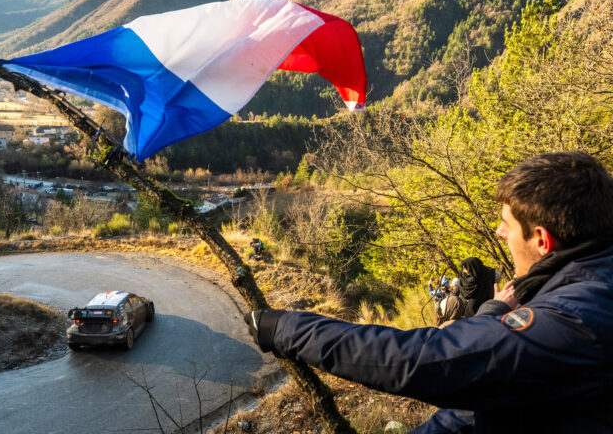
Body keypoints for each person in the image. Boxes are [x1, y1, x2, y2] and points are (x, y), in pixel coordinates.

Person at [244, 151, 613, 433]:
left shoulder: (573, 321)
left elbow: (423, 360)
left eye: (506, 224)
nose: (499, 233)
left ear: (542, 239)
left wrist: (289, 328)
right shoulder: (592, 283)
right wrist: (492, 317)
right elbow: (486, 396)